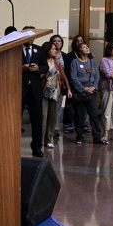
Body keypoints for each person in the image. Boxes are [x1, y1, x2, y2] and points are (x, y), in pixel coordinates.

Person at [70, 42, 107, 145]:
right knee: (79, 116)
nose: (87, 48)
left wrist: (94, 87)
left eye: (87, 47)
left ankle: (97, 138)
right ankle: (79, 137)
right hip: (80, 93)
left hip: (91, 93)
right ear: (79, 51)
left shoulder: (92, 61)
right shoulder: (75, 62)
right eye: (84, 47)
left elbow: (96, 76)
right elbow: (74, 78)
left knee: (94, 115)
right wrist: (83, 89)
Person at [21, 26, 48, 157]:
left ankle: (37, 147)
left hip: (35, 91)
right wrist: (21, 68)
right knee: (15, 120)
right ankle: (13, 145)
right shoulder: (15, 49)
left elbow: (45, 67)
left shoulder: (39, 49)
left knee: (37, 121)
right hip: (20, 89)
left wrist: (38, 68)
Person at [42, 42, 70, 149]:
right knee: (44, 117)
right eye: (52, 49)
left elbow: (63, 76)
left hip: (55, 92)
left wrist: (68, 89)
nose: (55, 50)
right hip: (44, 92)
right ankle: (41, 139)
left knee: (52, 117)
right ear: (47, 50)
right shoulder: (42, 62)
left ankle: (49, 139)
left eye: (55, 49)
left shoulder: (57, 63)